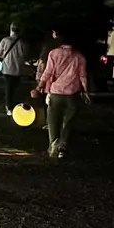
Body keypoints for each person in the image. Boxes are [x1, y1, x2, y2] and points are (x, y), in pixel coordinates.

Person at [33, 29, 91, 158]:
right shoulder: (79, 56)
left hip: (56, 92)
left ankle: (53, 144)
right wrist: (86, 91)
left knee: (53, 120)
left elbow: (47, 72)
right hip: (72, 93)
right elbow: (83, 76)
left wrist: (39, 86)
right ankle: (63, 147)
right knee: (68, 121)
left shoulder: (54, 53)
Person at [0, 23, 30, 115]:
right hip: (19, 69)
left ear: (11, 29)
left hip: (7, 68)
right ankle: (16, 106)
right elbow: (25, 56)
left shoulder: (5, 41)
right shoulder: (24, 43)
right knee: (16, 89)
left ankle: (9, 107)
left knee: (8, 89)